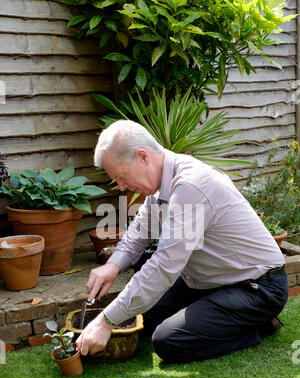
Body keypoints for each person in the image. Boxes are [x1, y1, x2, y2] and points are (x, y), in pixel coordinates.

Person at [75, 119, 288, 363]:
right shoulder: (160, 185)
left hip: (255, 287)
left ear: (143, 156)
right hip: (207, 282)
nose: (122, 187)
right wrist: (111, 266)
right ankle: (217, 313)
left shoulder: (190, 186)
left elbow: (165, 265)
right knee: (142, 319)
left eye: (121, 177)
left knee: (168, 341)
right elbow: (139, 233)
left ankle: (259, 326)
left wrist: (105, 321)